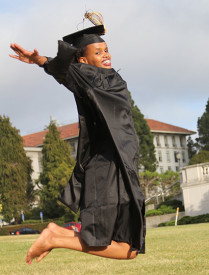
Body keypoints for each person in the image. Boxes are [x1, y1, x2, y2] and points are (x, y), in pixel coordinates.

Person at [10, 24, 146, 264]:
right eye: (98, 52)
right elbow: (66, 71)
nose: (106, 55)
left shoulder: (112, 78)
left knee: (129, 249)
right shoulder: (85, 76)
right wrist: (41, 60)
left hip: (123, 168)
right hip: (106, 169)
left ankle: (56, 234)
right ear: (83, 59)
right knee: (113, 244)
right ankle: (55, 238)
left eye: (106, 50)